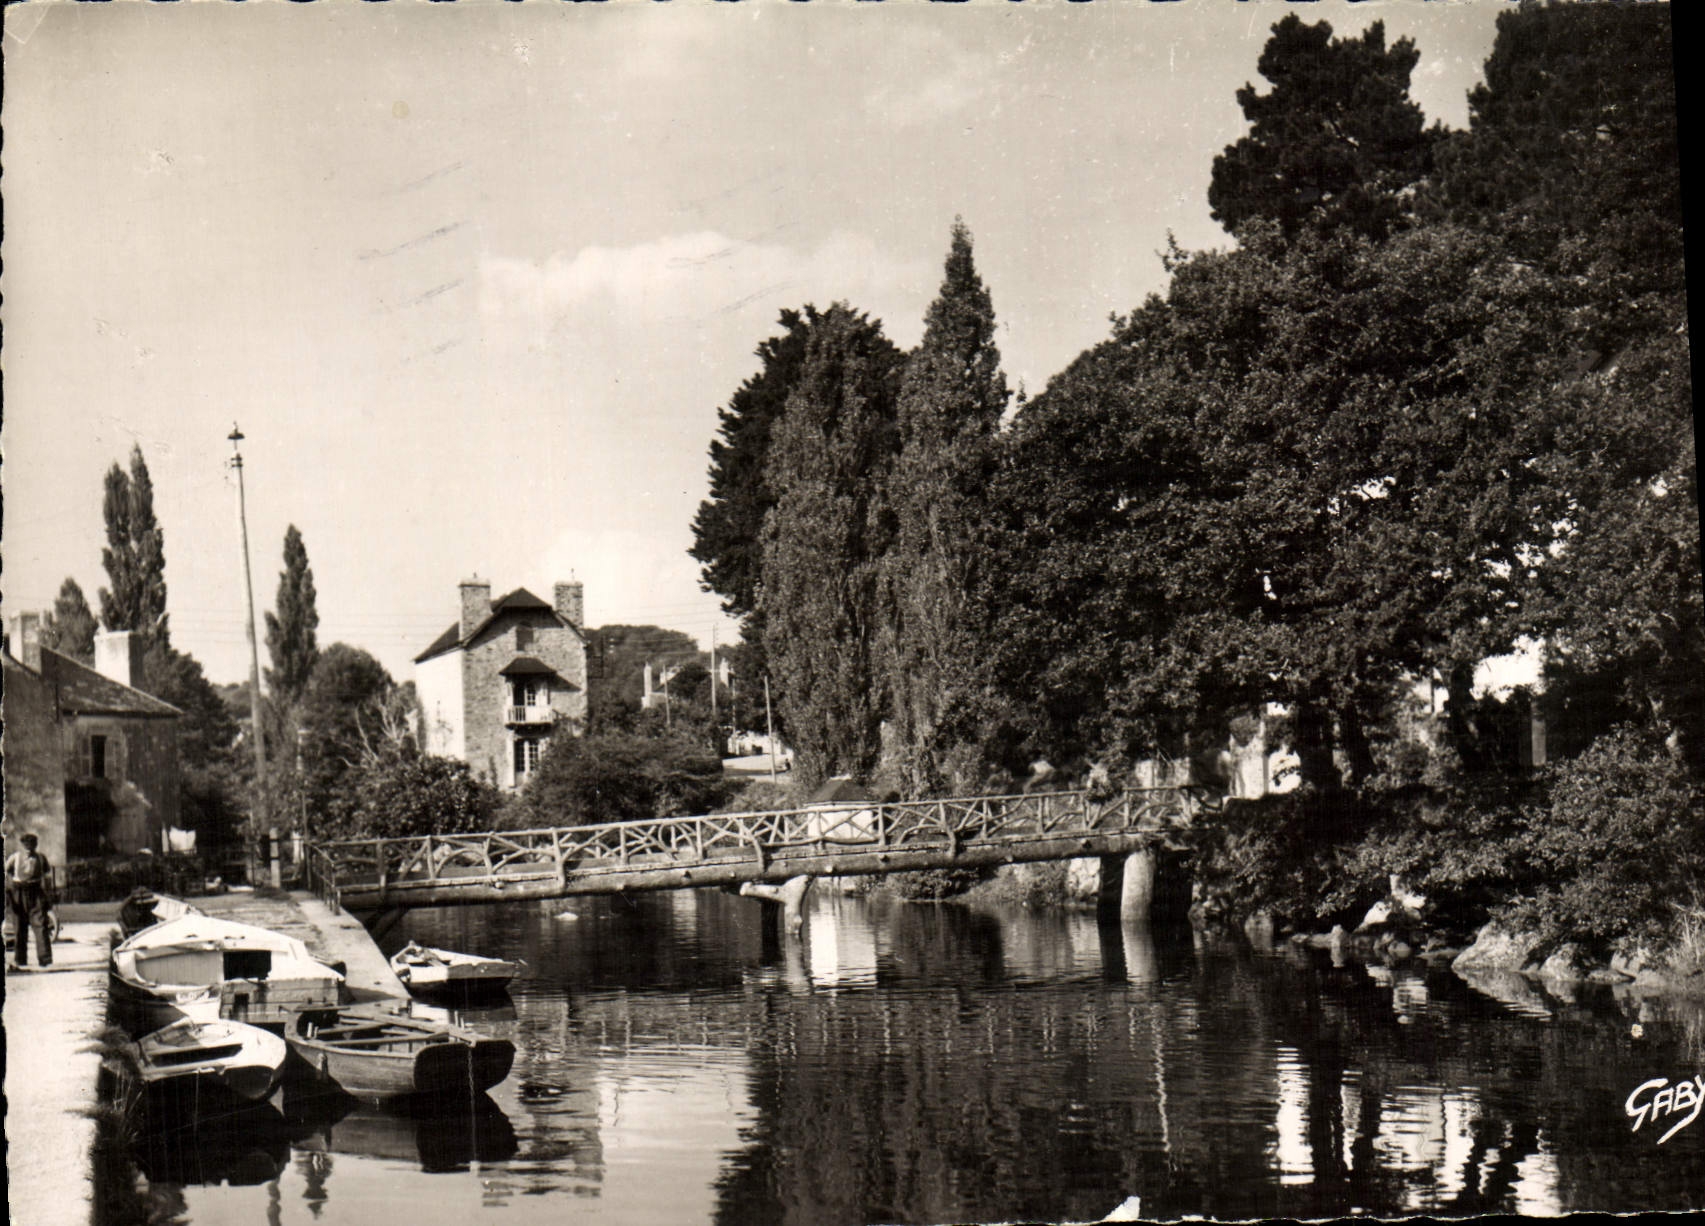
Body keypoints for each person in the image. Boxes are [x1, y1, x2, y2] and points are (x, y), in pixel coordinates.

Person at [6, 832, 55, 970]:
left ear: (35, 846)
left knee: (40, 925)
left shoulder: (41, 858)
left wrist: (48, 895)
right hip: (18, 892)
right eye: (26, 847)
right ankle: (20, 959)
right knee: (19, 927)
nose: (29, 850)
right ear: (22, 846)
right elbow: (7, 871)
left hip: (36, 892)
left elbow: (47, 875)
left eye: (32, 847)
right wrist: (10, 890)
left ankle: (45, 959)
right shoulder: (14, 858)